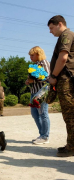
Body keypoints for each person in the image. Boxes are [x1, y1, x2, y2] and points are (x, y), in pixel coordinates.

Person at [47, 15, 74, 157]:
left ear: (59, 24)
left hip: (66, 80)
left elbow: (63, 58)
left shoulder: (66, 35)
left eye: (51, 28)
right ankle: (71, 144)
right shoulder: (64, 36)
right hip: (66, 80)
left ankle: (72, 147)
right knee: (70, 115)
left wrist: (54, 76)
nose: (50, 31)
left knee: (70, 115)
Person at [25, 46, 51, 145]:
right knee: (35, 114)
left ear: (38, 54)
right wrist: (28, 81)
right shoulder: (35, 65)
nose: (30, 57)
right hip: (33, 92)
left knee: (43, 114)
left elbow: (48, 78)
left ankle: (45, 136)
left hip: (41, 92)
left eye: (32, 55)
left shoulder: (44, 63)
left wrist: (34, 80)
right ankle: (42, 134)